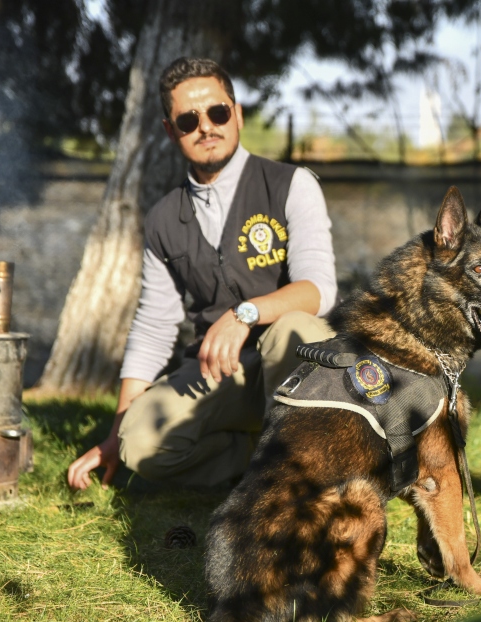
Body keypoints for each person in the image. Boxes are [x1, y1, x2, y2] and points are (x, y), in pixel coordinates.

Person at [67, 57, 335, 491]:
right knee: (142, 443)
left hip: (292, 363)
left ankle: (299, 483)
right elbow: (154, 326)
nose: (206, 127)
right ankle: (258, 461)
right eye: (188, 120)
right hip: (222, 372)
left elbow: (319, 291)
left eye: (218, 112)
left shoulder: (292, 184)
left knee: (296, 327)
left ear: (238, 113)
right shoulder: (162, 219)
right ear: (171, 131)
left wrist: (245, 313)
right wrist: (115, 436)